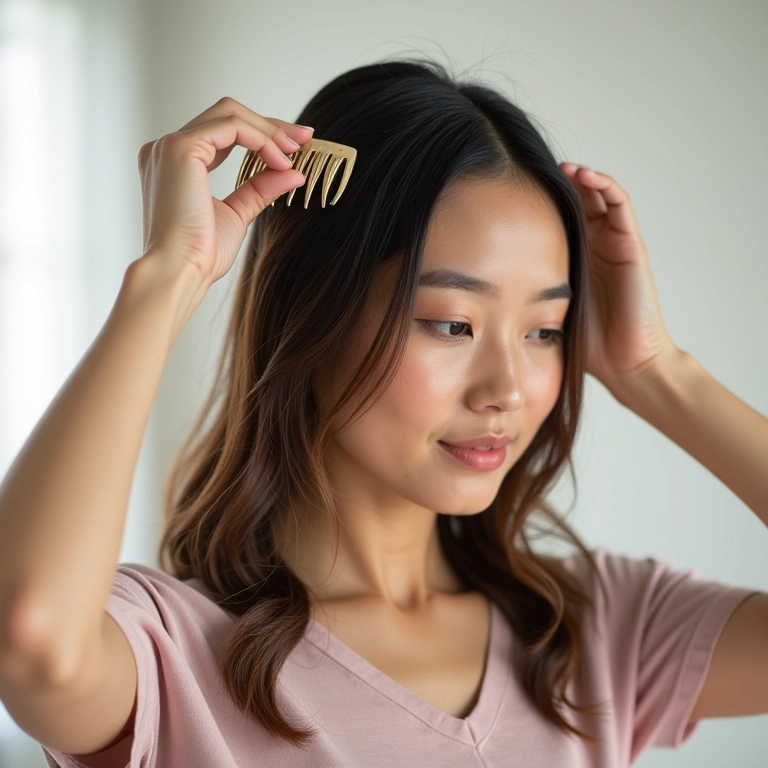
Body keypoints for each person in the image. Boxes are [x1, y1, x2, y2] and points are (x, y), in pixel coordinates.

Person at [0, 58, 766, 768]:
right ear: (313, 312)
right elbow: (31, 637)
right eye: (452, 323)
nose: (506, 387)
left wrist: (659, 373)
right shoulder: (170, 656)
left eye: (544, 331)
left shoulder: (594, 632)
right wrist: (171, 275)